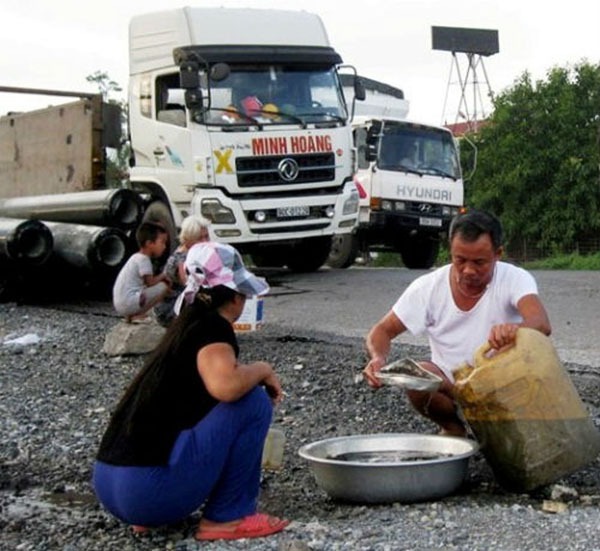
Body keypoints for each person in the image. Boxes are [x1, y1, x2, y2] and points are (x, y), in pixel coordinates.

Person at [93, 242, 289, 541]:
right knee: (253, 401)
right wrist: (263, 369)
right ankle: (229, 517)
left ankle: (150, 517)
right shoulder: (214, 328)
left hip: (110, 485)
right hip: (150, 492)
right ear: (236, 298)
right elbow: (226, 387)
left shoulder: (181, 327)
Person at [362, 209, 552, 437]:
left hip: (504, 386)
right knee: (418, 374)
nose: (469, 270)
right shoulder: (428, 287)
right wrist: (378, 358)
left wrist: (515, 330)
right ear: (450, 251)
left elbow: (541, 324)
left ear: (497, 254)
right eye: (460, 260)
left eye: (479, 262)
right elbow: (382, 330)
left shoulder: (514, 278)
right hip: (452, 388)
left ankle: (497, 430)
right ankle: (454, 429)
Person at [153, 215, 211, 327]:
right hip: (171, 308)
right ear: (187, 239)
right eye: (200, 238)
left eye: (206, 237)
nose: (205, 241)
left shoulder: (193, 252)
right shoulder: (182, 258)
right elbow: (188, 285)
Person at [112, 222, 171, 323]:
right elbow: (150, 283)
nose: (164, 247)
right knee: (164, 287)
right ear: (149, 244)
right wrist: (164, 274)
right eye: (162, 242)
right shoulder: (144, 259)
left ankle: (131, 315)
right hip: (129, 302)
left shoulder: (135, 257)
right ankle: (138, 314)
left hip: (120, 303)